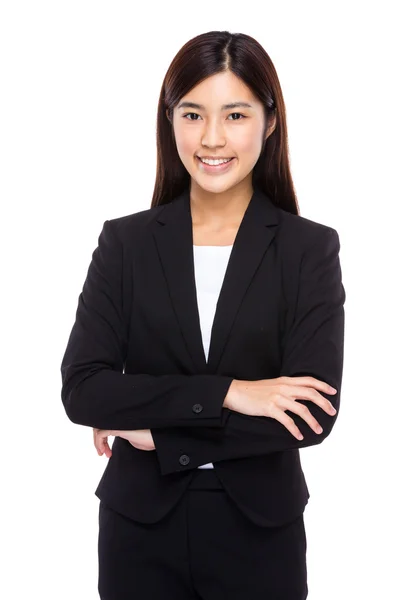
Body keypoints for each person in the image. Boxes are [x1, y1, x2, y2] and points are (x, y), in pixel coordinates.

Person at [60, 29, 345, 600]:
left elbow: (311, 416)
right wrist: (230, 392)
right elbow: (84, 391)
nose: (212, 138)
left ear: (269, 122)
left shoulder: (307, 249)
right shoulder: (126, 244)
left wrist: (158, 432)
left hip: (260, 532)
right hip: (139, 530)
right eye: (192, 114)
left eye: (235, 114)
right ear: (170, 121)